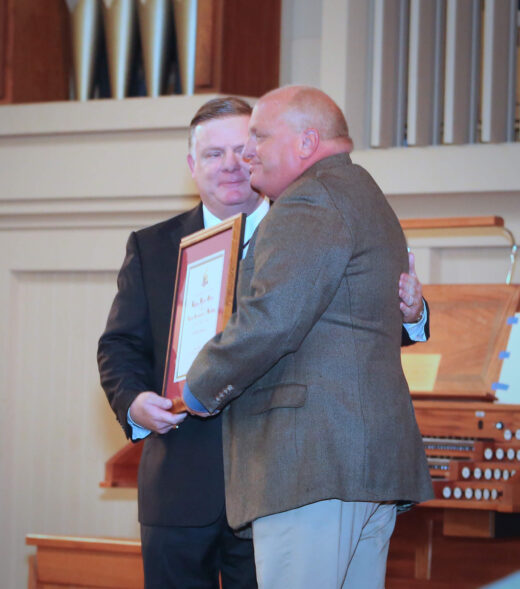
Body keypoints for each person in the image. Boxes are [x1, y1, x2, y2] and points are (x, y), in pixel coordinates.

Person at [98, 96, 428, 589]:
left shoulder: (304, 211)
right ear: (192, 166)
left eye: (248, 143)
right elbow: (119, 345)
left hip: (283, 473)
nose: (238, 160)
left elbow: (329, 325)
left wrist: (414, 314)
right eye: (216, 153)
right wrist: (135, 404)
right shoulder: (151, 247)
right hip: (184, 478)